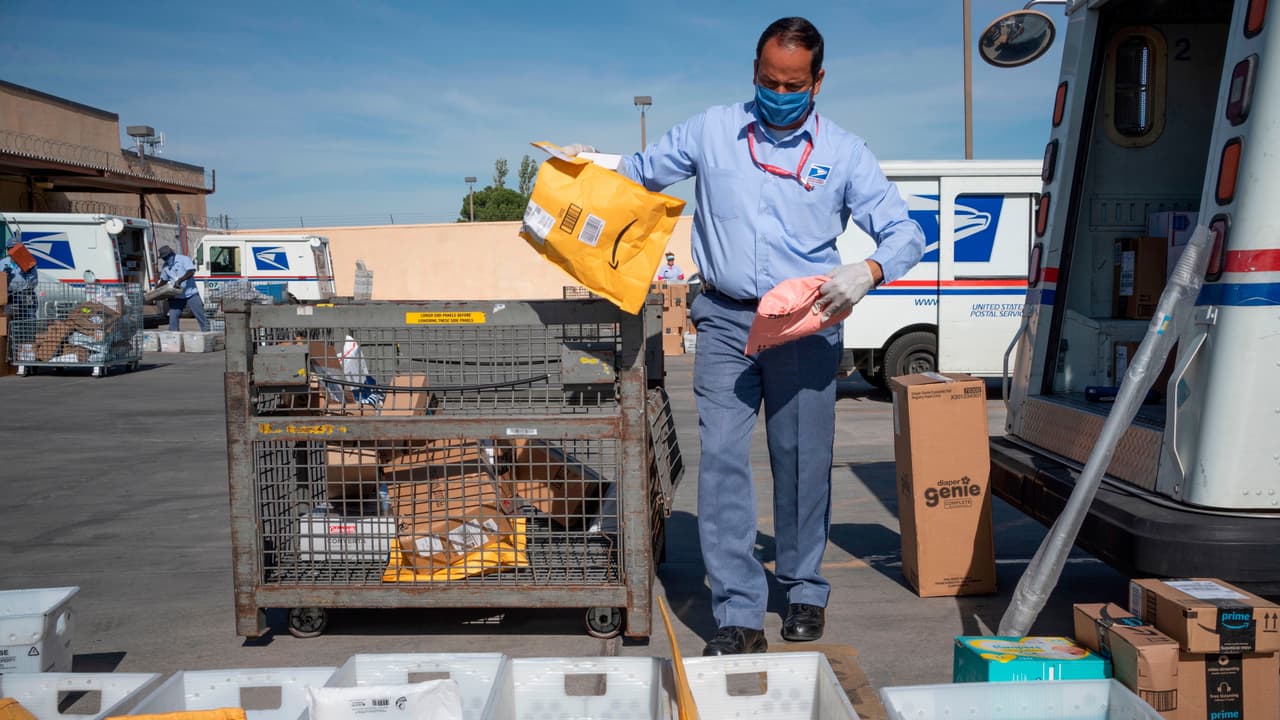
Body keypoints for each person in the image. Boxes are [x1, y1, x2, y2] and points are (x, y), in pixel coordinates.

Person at [568, 17, 923, 655]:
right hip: (727, 319)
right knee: (725, 463)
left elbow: (906, 233)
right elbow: (645, 170)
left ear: (818, 81)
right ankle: (736, 609)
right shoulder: (711, 132)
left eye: (793, 85)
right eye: (767, 81)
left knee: (802, 462)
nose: (778, 94)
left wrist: (867, 271)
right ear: (753, 73)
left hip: (805, 325)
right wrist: (589, 167)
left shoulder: (844, 153)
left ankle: (805, 588)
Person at [156, 245, 209, 331]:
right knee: (173, 316)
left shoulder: (184, 259)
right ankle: (174, 338)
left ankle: (208, 334)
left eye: (166, 257)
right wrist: (155, 291)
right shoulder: (165, 267)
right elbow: (163, 280)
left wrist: (181, 280)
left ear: (171, 254)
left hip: (191, 293)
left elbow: (190, 272)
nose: (165, 259)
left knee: (200, 315)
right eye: (164, 258)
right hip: (177, 295)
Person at [1, 239, 39, 322]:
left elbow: (34, 281)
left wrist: (29, 272)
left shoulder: (27, 261)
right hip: (9, 296)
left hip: (25, 294)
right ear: (8, 250)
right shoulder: (2, 263)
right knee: (8, 319)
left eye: (16, 248)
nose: (13, 251)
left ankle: (29, 334)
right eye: (11, 249)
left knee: (29, 318)